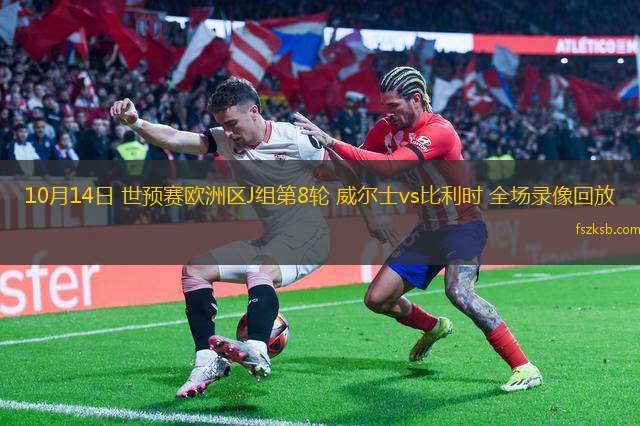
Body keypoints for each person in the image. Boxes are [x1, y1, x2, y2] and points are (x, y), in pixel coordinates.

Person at [111, 77, 392, 398]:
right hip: (271, 239)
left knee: (260, 267)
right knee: (196, 268)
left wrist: (372, 218)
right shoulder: (226, 140)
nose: (227, 132)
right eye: (222, 125)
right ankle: (206, 360)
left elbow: (350, 175)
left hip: (309, 237)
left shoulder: (296, 140)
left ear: (255, 112)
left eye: (232, 123)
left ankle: (257, 349)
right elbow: (175, 137)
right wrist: (137, 123)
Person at [295, 66, 543, 393]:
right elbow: (358, 169)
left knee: (458, 292)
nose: (388, 113)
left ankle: (524, 367)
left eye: (394, 106)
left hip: (464, 226)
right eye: (385, 106)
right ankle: (434, 326)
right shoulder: (386, 128)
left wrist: (331, 140)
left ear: (415, 99)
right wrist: (311, 167)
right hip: (427, 230)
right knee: (377, 299)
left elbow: (390, 166)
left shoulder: (439, 131)